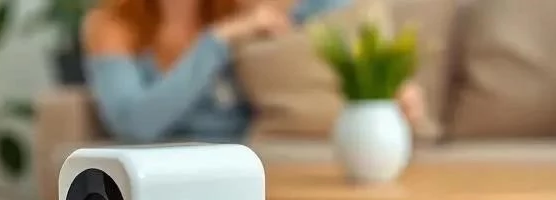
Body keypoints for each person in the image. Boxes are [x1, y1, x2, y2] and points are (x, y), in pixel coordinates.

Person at [82, 0, 425, 144]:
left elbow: (327, 12)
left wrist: (390, 80)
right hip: (165, 167)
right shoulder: (112, 25)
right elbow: (135, 122)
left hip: (243, 161)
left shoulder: (235, 8)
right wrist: (217, 41)